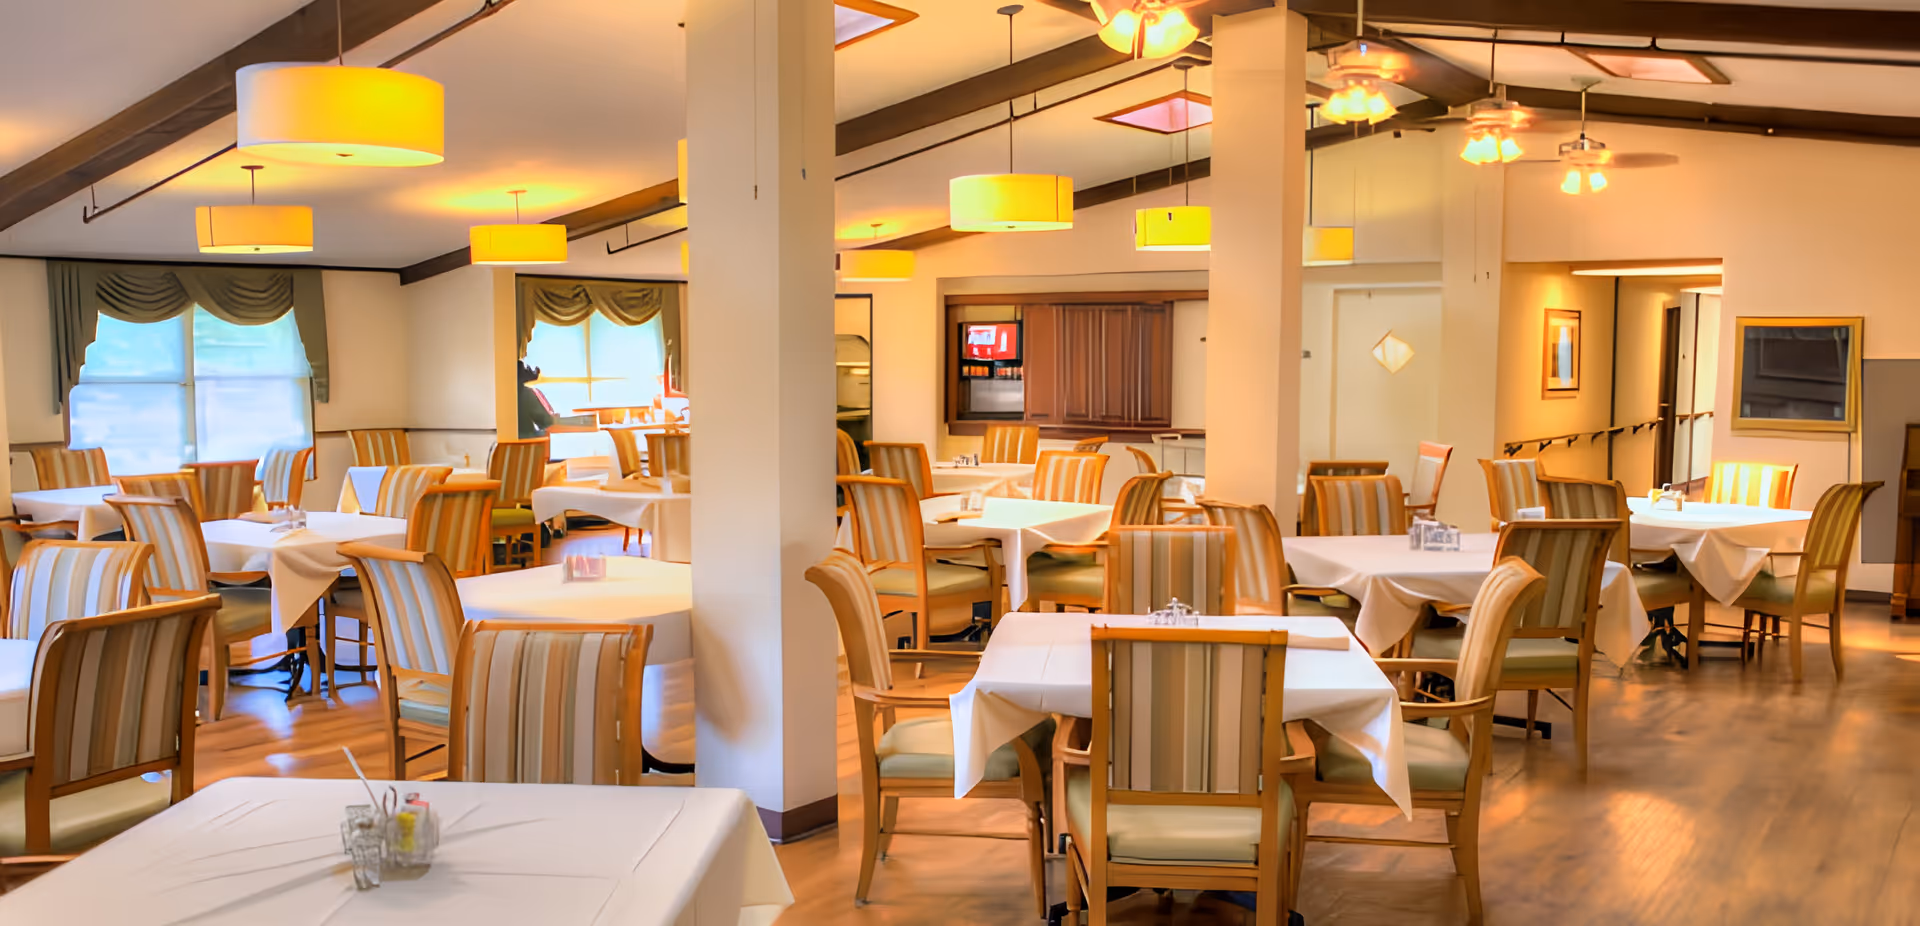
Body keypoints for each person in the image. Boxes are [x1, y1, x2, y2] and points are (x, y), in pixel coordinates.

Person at [517, 361, 556, 439]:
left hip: (503, 443)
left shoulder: (498, 392)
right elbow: (545, 422)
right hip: (526, 442)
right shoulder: (525, 393)